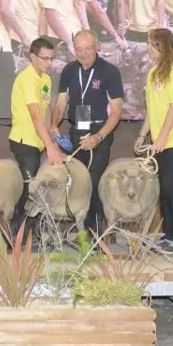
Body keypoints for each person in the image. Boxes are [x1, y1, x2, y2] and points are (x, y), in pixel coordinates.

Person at [50, 30, 124, 238]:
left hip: (99, 132)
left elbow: (116, 111)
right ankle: (81, 229)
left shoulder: (110, 71)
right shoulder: (69, 70)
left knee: (93, 179)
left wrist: (98, 137)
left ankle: (96, 233)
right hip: (77, 131)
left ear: (97, 47)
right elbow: (61, 102)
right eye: (79, 50)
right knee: (78, 181)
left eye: (88, 49)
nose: (83, 54)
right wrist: (54, 125)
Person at [134, 28, 173, 254]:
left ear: (162, 46)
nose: (148, 48)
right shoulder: (153, 73)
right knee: (164, 189)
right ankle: (170, 234)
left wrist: (161, 138)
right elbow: (152, 111)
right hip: (161, 141)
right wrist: (143, 135)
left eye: (151, 44)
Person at [8, 38, 66, 242]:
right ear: (32, 57)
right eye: (44, 59)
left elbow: (45, 110)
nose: (49, 63)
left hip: (39, 141)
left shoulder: (46, 79)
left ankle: (29, 235)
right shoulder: (26, 79)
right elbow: (34, 116)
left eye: (52, 59)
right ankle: (14, 237)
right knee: (28, 190)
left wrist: (53, 132)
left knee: (36, 189)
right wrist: (50, 147)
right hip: (24, 141)